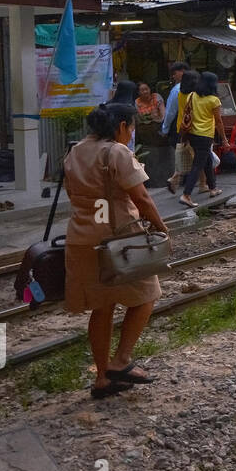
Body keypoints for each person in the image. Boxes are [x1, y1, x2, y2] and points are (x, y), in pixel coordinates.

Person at [63, 102, 169, 399]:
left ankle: (101, 379)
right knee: (148, 296)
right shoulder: (117, 152)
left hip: (81, 239)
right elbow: (143, 198)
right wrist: (161, 228)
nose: (131, 134)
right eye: (131, 128)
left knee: (102, 306)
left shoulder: (76, 150)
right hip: (119, 242)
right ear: (122, 126)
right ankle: (120, 362)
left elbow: (73, 193)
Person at [179, 71, 227, 208]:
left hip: (192, 134)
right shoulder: (214, 100)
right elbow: (218, 122)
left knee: (207, 161)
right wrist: (224, 139)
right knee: (198, 164)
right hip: (205, 135)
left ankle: (213, 188)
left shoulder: (191, 95)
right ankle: (186, 195)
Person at [167, 69, 198, 193]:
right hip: (194, 127)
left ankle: (176, 177)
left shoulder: (179, 93)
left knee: (186, 154)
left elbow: (172, 111)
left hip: (182, 127)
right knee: (198, 157)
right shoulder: (194, 95)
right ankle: (203, 184)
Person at [159, 61, 190, 139]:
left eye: (174, 73)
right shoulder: (198, 87)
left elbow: (170, 112)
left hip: (180, 126)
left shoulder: (177, 90)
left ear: (182, 72)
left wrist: (165, 129)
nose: (173, 76)